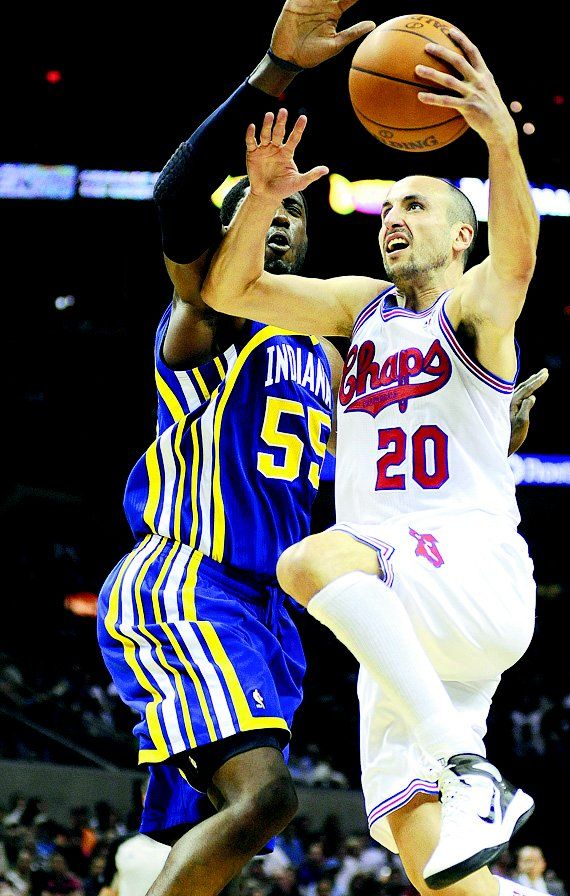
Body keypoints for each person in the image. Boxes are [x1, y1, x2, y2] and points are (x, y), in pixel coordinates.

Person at [98, 3, 545, 896]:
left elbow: (512, 269)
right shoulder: (324, 319)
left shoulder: (456, 314)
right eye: (388, 203)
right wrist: (259, 181)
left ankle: (471, 771)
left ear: (462, 234)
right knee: (433, 867)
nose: (392, 213)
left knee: (313, 565)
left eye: (414, 202)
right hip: (365, 602)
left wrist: (499, 140)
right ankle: (470, 792)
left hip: (432, 572)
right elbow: (219, 265)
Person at [97, 4, 374, 896]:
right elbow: (173, 198)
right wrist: (274, 71)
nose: (281, 214)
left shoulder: (328, 355)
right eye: (260, 205)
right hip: (189, 582)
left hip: (265, 615)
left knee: (227, 833)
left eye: (293, 205)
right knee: (266, 803)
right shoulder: (207, 319)